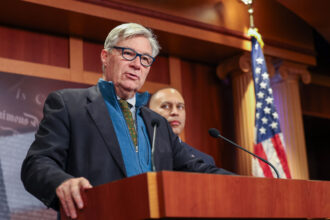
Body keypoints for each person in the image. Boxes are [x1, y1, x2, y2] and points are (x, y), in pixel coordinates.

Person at [21, 23, 233, 219]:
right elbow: (36, 164)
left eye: (145, 59)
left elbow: (199, 169)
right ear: (105, 56)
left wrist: (254, 185)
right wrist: (63, 182)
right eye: (129, 54)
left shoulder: (157, 123)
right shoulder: (69, 105)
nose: (137, 65)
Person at [149, 88, 215, 165]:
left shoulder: (205, 160)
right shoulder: (140, 154)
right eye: (166, 106)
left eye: (180, 107)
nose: (175, 112)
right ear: (150, 112)